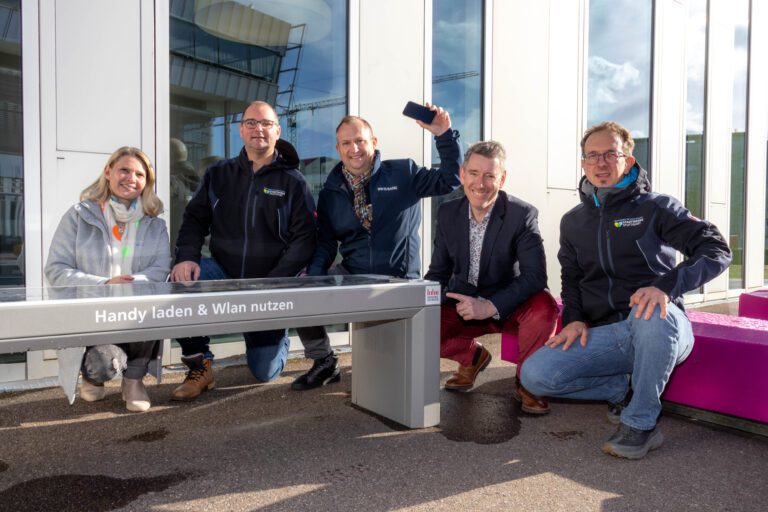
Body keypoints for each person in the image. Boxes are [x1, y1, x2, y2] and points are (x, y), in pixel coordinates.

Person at [520, 122, 731, 458]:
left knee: (648, 314)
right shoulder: (573, 221)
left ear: (629, 160)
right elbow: (572, 279)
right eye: (593, 156)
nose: (601, 163)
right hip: (609, 335)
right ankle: (623, 387)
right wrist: (573, 319)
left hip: (662, 327)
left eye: (610, 154)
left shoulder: (656, 207)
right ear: (583, 164)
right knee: (535, 376)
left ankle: (641, 423)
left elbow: (716, 249)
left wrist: (665, 286)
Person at [292, 104, 462, 391]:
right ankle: (324, 361)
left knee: (393, 381)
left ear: (373, 142)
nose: (354, 148)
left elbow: (450, 179)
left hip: (400, 279)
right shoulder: (331, 190)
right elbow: (326, 242)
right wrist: (315, 279)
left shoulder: (403, 173)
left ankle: (465, 355)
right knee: (299, 293)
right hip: (354, 275)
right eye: (346, 143)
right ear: (338, 148)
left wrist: (443, 135)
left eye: (360, 140)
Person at [170, 101, 316, 401]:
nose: (257, 129)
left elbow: (304, 240)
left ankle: (276, 332)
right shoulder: (218, 174)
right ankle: (199, 365)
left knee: (264, 372)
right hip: (223, 271)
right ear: (241, 130)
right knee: (177, 283)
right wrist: (186, 257)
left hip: (268, 281)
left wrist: (274, 282)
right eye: (251, 123)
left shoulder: (293, 182)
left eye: (265, 123)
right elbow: (194, 220)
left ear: (277, 130)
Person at [424, 140, 559, 413]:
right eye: (474, 173)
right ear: (463, 175)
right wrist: (418, 302)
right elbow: (438, 272)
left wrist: (490, 305)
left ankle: (528, 382)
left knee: (545, 306)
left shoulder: (521, 214)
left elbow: (535, 276)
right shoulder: (449, 212)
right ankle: (472, 357)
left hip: (510, 304)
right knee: (421, 324)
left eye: (490, 175)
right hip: (463, 304)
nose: (480, 183)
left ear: (503, 178)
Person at [45, 147, 171, 412]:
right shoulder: (79, 215)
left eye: (140, 174)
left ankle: (133, 381)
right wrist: (103, 284)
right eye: (124, 170)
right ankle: (94, 375)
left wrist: (132, 281)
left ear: (146, 182)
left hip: (135, 311)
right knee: (101, 364)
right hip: (93, 315)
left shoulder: (154, 223)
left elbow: (160, 269)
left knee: (151, 312)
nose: (131, 178)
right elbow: (56, 269)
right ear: (108, 172)